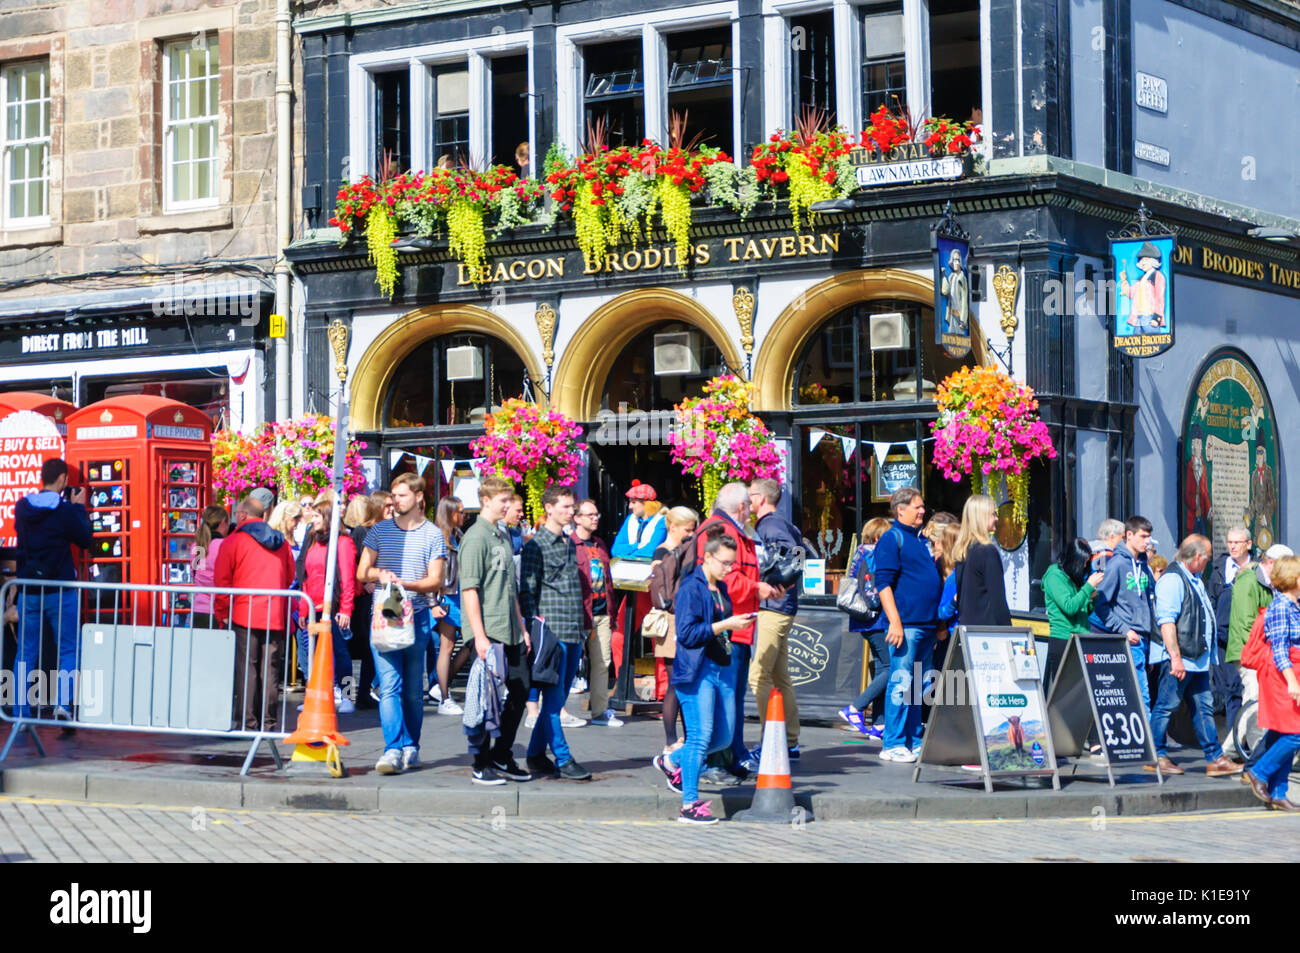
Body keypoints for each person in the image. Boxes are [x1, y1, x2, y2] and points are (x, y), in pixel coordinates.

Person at [652, 530, 756, 825]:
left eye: (732, 563)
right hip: (696, 670)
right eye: (724, 562)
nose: (729, 568)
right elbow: (686, 634)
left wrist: (732, 624)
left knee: (723, 737)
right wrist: (725, 624)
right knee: (701, 736)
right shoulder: (691, 588)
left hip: (722, 667)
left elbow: (718, 628)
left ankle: (671, 760)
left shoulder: (720, 588)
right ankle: (689, 805)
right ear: (707, 558)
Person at [356, 474, 447, 775]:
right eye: (393, 496)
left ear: (420, 498)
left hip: (417, 615)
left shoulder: (433, 534)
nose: (396, 501)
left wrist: (406, 583)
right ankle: (392, 749)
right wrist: (378, 574)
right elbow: (361, 572)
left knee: (411, 690)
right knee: (390, 686)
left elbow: (436, 580)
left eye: (402, 496)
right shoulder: (379, 530)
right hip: (386, 614)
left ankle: (412, 745)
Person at [695, 482, 784, 782]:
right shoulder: (722, 531)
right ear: (743, 506)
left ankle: (730, 756)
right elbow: (727, 580)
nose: (752, 511)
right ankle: (712, 762)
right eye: (750, 505)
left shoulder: (729, 529)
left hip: (738, 624)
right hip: (726, 626)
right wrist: (757, 588)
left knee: (731, 696)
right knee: (723, 696)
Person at [1146, 535, 1242, 777]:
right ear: (1197, 556)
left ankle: (1215, 758)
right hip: (1180, 659)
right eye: (1207, 557)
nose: (1208, 562)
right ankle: (1155, 755)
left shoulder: (1195, 579)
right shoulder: (1172, 579)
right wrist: (1175, 658)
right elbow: (1166, 622)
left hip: (1196, 660)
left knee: (1204, 707)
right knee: (1166, 706)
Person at [460, 475, 533, 785]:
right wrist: (478, 635)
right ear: (485, 501)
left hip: (510, 628)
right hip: (489, 630)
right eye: (503, 501)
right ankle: (480, 760)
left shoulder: (503, 534)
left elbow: (509, 585)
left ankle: (502, 753)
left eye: (509, 500)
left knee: (520, 688)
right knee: (484, 698)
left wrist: (522, 625)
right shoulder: (476, 537)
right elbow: (469, 589)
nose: (508, 505)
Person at [521, 485, 594, 781]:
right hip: (552, 631)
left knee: (559, 697)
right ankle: (563, 757)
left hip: (573, 629)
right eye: (565, 506)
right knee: (552, 701)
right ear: (548, 508)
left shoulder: (568, 542)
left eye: (571, 506)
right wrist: (532, 631)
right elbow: (527, 592)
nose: (570, 511)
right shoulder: (535, 545)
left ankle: (536, 754)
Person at [13, 459, 92, 719]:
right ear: (62, 480)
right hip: (60, 589)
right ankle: (62, 703)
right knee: (68, 649)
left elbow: (23, 541)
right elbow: (85, 539)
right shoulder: (65, 510)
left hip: (30, 588)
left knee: (26, 652)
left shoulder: (23, 508)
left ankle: (20, 712)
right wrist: (79, 508)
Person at [213, 492, 296, 732]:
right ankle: (268, 722)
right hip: (275, 612)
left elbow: (222, 582)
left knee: (247, 667)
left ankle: (247, 722)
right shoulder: (281, 542)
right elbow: (290, 576)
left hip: (244, 613)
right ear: (265, 514)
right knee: (270, 670)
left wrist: (222, 613)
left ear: (241, 514)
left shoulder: (234, 541)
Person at [874, 487, 942, 763]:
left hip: (924, 625)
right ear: (900, 509)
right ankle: (892, 742)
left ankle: (913, 739)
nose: (923, 511)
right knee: (902, 682)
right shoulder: (892, 539)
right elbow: (883, 585)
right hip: (908, 625)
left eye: (923, 506)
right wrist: (895, 622)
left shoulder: (917, 539)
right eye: (917, 507)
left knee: (918, 685)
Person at [745, 478, 804, 768]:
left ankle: (773, 740)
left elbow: (797, 555)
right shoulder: (777, 523)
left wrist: (775, 582)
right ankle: (790, 741)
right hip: (779, 607)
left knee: (758, 676)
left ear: (761, 498)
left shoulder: (770, 525)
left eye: (750, 495)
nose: (747, 500)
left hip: (774, 607)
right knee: (781, 677)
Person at [1227, 542, 1294, 767]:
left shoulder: (1271, 586)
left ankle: (1239, 754)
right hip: (1251, 652)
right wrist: (1262, 657)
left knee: (1259, 705)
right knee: (1255, 703)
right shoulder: (1249, 582)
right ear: (1273, 563)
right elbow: (1246, 625)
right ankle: (1235, 756)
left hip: (1265, 654)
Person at [1243, 555, 1300, 810]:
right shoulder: (1280, 607)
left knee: (1284, 731)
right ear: (1294, 579)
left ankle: (1278, 792)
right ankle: (1259, 772)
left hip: (1293, 673)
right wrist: (1292, 682)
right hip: (1282, 676)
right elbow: (1279, 649)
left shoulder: (1295, 605)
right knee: (1295, 733)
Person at [294, 490, 356, 714]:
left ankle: (348, 695)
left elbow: (348, 578)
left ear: (328, 517)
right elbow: (306, 578)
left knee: (340, 652)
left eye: (318, 516)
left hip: (335, 607)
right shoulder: (312, 542)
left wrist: (346, 609)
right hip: (314, 607)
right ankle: (317, 695)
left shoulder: (343, 542)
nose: (313, 519)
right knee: (315, 653)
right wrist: (303, 608)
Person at [1089, 515, 1157, 713]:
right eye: (1143, 537)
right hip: (1130, 639)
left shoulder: (1144, 565)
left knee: (1140, 694)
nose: (1148, 542)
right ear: (1129, 535)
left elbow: (1148, 603)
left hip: (1144, 638)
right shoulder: (1117, 564)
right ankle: (1148, 743)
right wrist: (1124, 629)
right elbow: (1101, 605)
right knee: (1141, 695)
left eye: (1149, 537)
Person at [649, 505, 698, 755]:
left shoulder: (682, 550)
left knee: (682, 681)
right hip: (671, 621)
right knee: (676, 683)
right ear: (673, 527)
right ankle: (670, 741)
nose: (691, 534)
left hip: (680, 620)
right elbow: (665, 591)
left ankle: (686, 738)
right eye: (687, 530)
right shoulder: (664, 552)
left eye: (693, 530)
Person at [838, 517, 893, 738]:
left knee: (881, 669)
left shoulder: (860, 553)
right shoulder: (875, 554)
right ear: (879, 537)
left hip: (863, 619)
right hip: (876, 618)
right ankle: (855, 708)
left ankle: (878, 725)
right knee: (890, 668)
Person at [574, 497, 622, 728]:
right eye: (590, 515)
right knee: (567, 663)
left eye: (596, 515)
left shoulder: (600, 544)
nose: (595, 519)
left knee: (603, 661)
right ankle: (555, 711)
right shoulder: (569, 544)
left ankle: (600, 710)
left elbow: (608, 580)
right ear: (577, 518)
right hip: (578, 613)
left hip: (602, 611)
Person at [1207, 526, 1252, 754]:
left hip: (1250, 641)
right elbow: (1211, 603)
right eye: (1230, 542)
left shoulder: (1256, 570)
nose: (1233, 546)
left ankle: (1243, 742)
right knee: (1232, 691)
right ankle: (1236, 744)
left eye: (1238, 542)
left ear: (1249, 544)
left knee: (1250, 692)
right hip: (1224, 642)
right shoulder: (1218, 571)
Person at [1042, 538, 1104, 695]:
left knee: (1083, 694)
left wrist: (1092, 596)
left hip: (1082, 638)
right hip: (1064, 640)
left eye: (1086, 562)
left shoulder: (1073, 576)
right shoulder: (1054, 576)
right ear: (1073, 559)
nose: (1084, 566)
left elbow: (1083, 611)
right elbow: (1069, 607)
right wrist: (1088, 587)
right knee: (1065, 695)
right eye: (1082, 562)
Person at [427, 497, 469, 715]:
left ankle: (440, 687)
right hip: (447, 598)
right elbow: (429, 573)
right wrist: (433, 602)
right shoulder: (438, 538)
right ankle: (444, 696)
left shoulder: (457, 535)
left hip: (460, 596)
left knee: (470, 642)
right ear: (449, 513)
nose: (464, 516)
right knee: (447, 647)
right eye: (460, 512)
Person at [951, 494, 1011, 627]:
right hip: (987, 631)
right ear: (981, 517)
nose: (997, 518)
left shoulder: (963, 550)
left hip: (968, 628)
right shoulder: (987, 551)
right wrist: (1009, 631)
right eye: (993, 514)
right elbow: (997, 599)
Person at [344, 494, 378, 709]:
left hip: (354, 599)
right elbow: (355, 567)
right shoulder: (360, 533)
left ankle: (354, 694)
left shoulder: (352, 533)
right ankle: (358, 693)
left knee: (351, 652)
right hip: (358, 599)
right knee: (360, 651)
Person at [191, 504, 231, 627]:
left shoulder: (197, 545)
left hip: (198, 609)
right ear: (223, 522)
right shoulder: (224, 546)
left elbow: (196, 573)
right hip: (218, 612)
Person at [611, 480, 667, 559]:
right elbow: (615, 550)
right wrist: (637, 546)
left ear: (646, 504)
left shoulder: (661, 521)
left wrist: (627, 554)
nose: (630, 506)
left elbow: (651, 552)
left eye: (633, 502)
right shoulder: (630, 519)